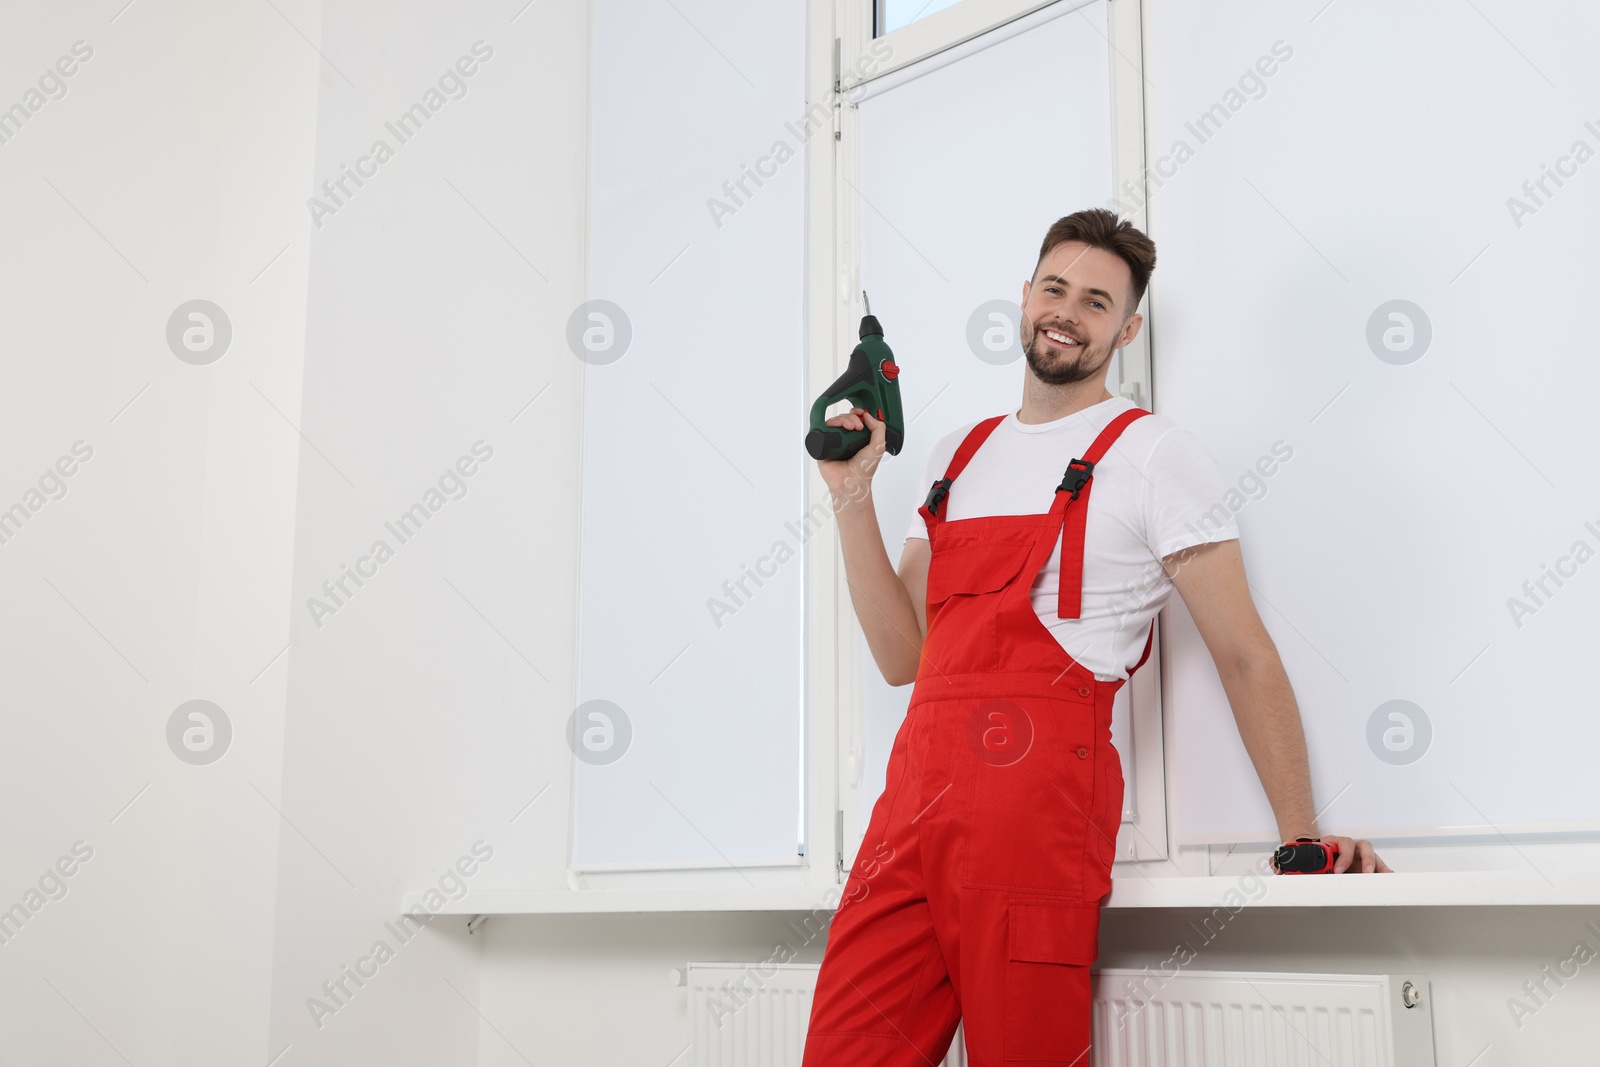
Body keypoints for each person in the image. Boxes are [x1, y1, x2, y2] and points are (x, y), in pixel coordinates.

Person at [801, 208, 1391, 1067]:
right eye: (1055, 288)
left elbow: (1243, 652)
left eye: (1096, 300)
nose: (1067, 311)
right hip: (911, 812)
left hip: (1034, 819)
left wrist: (1300, 832)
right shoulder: (955, 454)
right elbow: (904, 658)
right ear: (1026, 297)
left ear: (1127, 327)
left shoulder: (1155, 456)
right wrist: (851, 494)